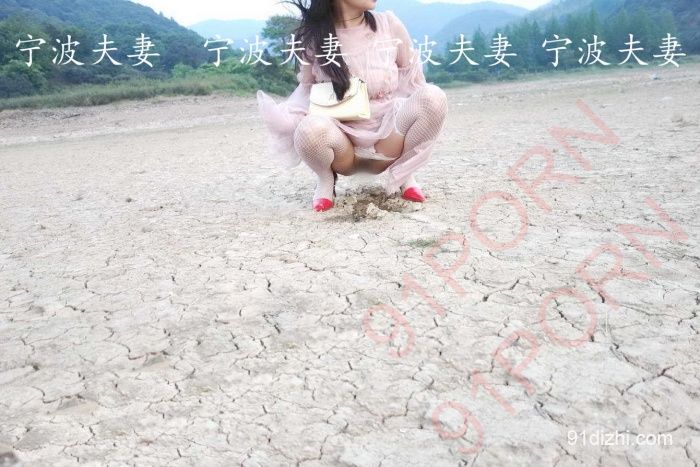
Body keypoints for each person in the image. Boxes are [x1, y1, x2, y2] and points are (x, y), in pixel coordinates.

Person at [256, 0, 448, 212]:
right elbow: (307, 89)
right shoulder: (315, 36)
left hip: (389, 138)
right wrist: (290, 120)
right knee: (308, 129)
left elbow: (412, 78)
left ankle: (404, 174)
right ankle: (326, 180)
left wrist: (421, 113)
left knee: (433, 97)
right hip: (342, 145)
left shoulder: (389, 25)